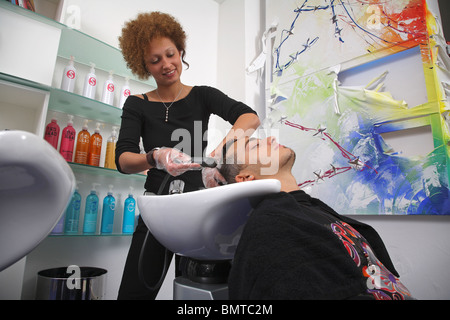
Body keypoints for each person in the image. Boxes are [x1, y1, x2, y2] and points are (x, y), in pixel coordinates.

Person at [115, 12, 260, 300]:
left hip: (199, 209)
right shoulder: (136, 105)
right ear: (144, 65)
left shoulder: (203, 96)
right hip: (158, 210)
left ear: (181, 51)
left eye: (170, 54)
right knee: (135, 292)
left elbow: (249, 117)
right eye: (155, 60)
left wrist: (223, 149)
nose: (166, 64)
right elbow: (123, 160)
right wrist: (154, 157)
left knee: (197, 294)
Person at [218, 136, 414, 300]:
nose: (270, 138)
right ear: (246, 177)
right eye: (256, 145)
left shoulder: (310, 210)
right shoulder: (272, 227)